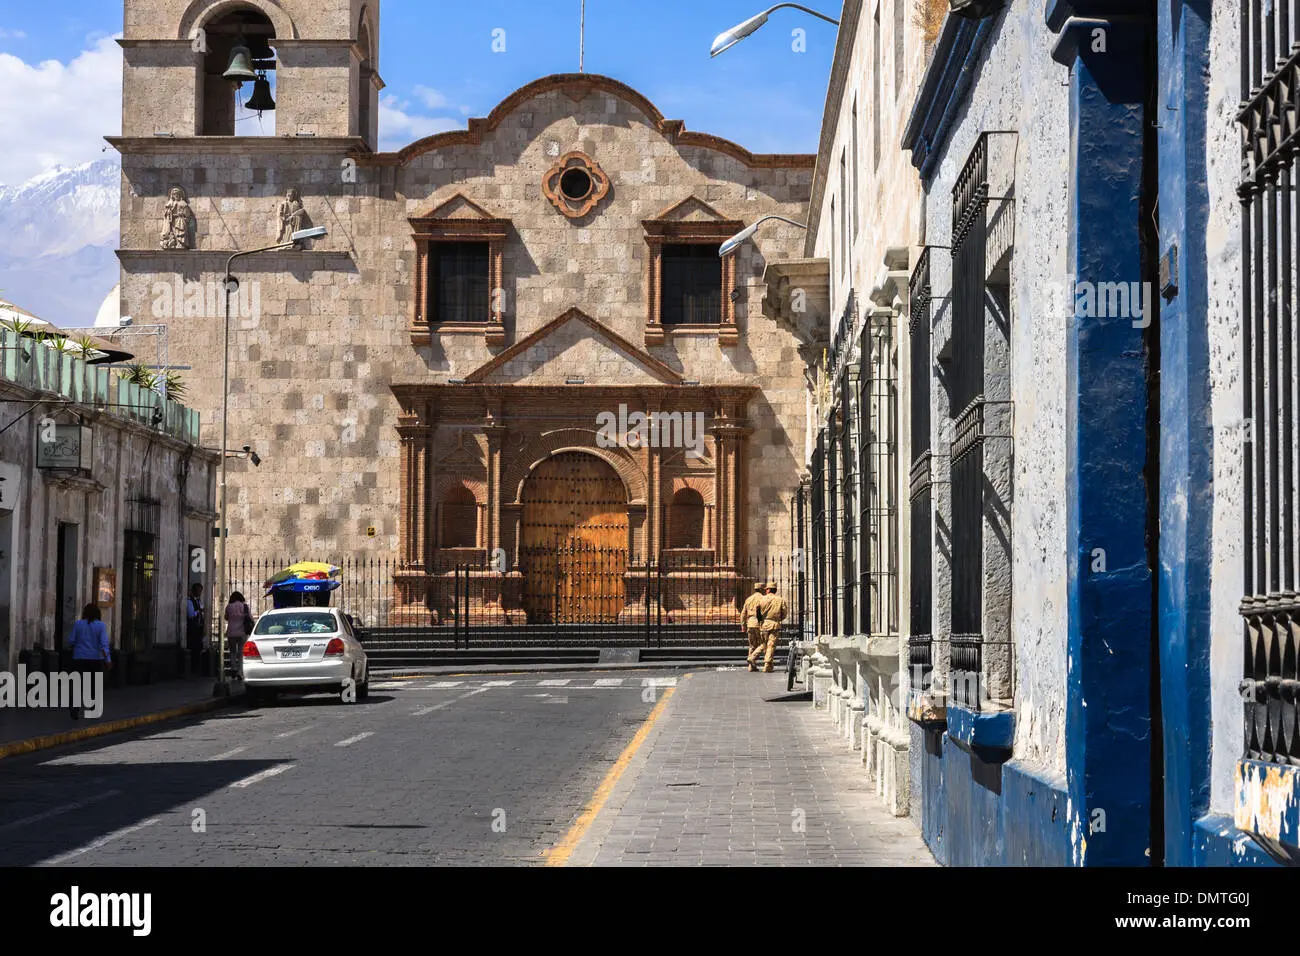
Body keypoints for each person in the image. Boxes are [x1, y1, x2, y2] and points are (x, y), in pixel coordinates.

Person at [68, 604, 110, 719]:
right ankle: (92, 704)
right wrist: (108, 660)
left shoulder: (78, 624)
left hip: (79, 658)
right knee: (93, 683)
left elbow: (71, 640)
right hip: (95, 659)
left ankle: (74, 708)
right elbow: (104, 644)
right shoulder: (101, 626)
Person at [757, 582, 788, 673]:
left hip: (764, 624)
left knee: (766, 645)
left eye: (766, 589)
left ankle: (769, 665)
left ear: (769, 589)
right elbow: (784, 613)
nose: (766, 590)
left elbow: (757, 611)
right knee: (771, 645)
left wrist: (761, 621)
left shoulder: (762, 599)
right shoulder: (780, 600)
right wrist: (778, 619)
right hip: (774, 624)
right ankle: (767, 664)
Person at [224, 591, 255, 678]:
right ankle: (239, 671)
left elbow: (226, 617)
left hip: (231, 632)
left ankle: (233, 668)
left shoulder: (229, 606)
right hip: (242, 632)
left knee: (232, 652)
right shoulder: (244, 606)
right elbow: (250, 618)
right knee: (241, 653)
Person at [740, 583, 765, 672]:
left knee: (752, 645)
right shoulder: (763, 598)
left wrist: (743, 625)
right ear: (762, 589)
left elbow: (743, 613)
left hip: (750, 623)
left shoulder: (748, 599)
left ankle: (751, 666)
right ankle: (752, 657)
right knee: (763, 643)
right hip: (759, 623)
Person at [186, 583, 206, 674]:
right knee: (194, 648)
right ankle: (193, 669)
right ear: (194, 591)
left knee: (198, 648)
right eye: (198, 590)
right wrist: (198, 611)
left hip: (199, 628)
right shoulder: (189, 601)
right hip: (192, 629)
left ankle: (196, 668)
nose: (200, 593)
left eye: (200, 591)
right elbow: (190, 614)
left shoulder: (198, 601)